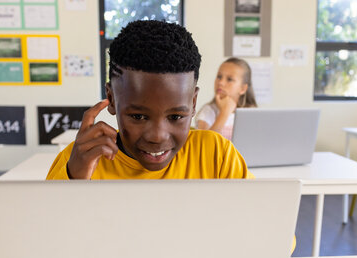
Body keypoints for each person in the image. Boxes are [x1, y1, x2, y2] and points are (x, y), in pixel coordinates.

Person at [46, 20, 253, 180]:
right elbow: (44, 231)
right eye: (138, 116)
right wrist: (74, 180)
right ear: (111, 99)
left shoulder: (217, 155)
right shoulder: (79, 161)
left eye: (175, 116)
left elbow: (263, 223)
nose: (157, 136)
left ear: (193, 103)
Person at [195, 57, 257, 140]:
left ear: (243, 89)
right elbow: (205, 144)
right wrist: (224, 112)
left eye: (229, 79)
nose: (221, 82)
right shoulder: (208, 111)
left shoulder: (251, 113)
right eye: (219, 77)